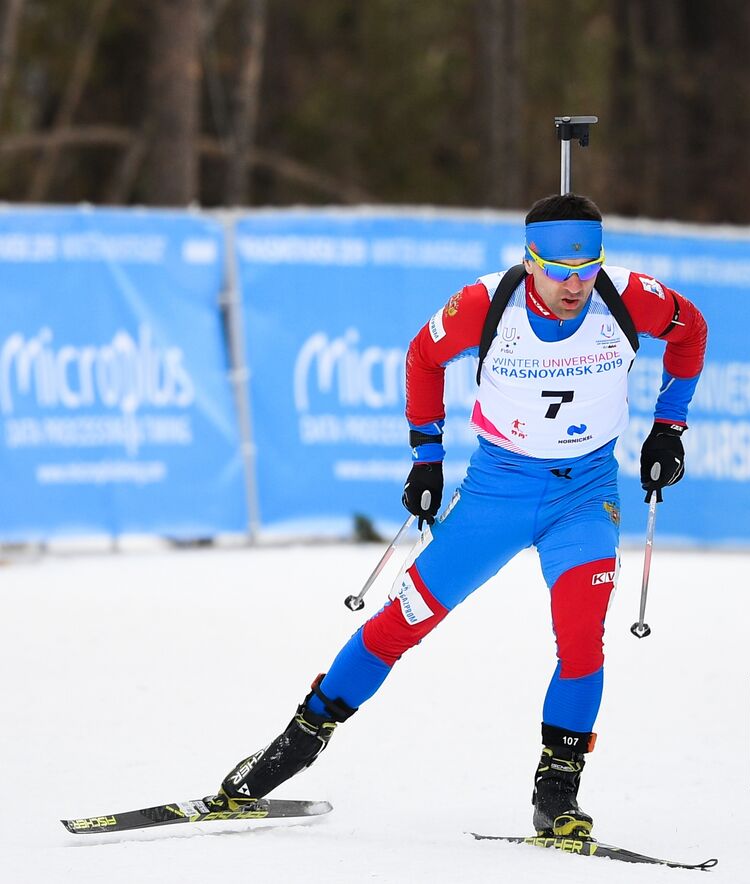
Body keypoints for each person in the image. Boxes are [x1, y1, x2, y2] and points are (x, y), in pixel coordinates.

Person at [212, 194, 708, 839]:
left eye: (587, 269)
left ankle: (556, 791)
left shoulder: (630, 298)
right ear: (529, 262)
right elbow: (422, 358)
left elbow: (690, 330)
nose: (574, 285)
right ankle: (295, 745)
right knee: (402, 623)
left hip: (584, 496)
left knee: (583, 639)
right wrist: (426, 458)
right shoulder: (484, 304)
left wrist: (670, 427)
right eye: (558, 270)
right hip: (496, 496)